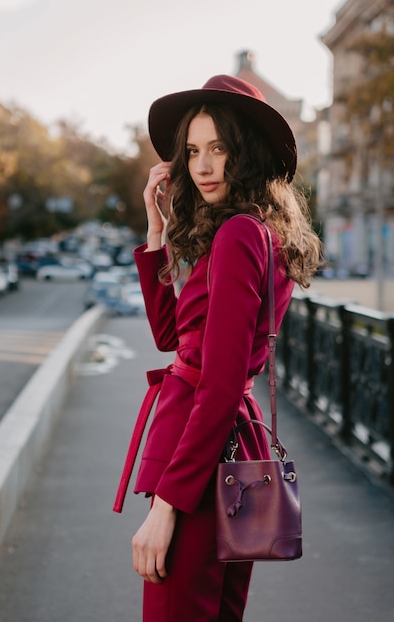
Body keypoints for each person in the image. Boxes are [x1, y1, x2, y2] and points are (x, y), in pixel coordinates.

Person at [114, 74, 322, 621]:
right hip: (225, 448)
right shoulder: (255, 231)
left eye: (219, 149)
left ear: (245, 152)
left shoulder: (238, 235)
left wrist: (167, 505)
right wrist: (155, 231)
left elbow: (221, 382)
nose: (202, 166)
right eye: (192, 151)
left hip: (201, 456)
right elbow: (172, 338)